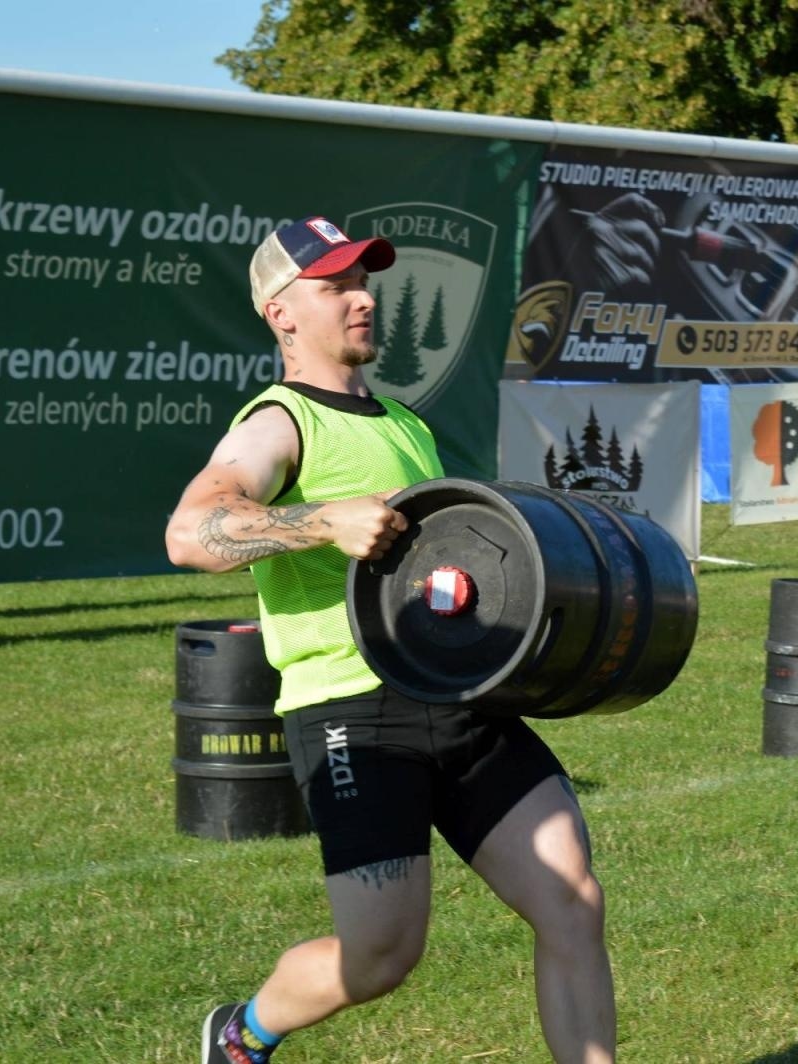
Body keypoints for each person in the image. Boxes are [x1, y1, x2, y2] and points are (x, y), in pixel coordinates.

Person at [167, 217, 615, 1064]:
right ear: (281, 312)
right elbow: (192, 533)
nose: (363, 297)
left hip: (454, 687)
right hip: (349, 710)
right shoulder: (278, 422)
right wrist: (316, 522)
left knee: (572, 897)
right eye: (335, 286)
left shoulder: (403, 423)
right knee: (381, 956)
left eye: (364, 280)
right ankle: (240, 1034)